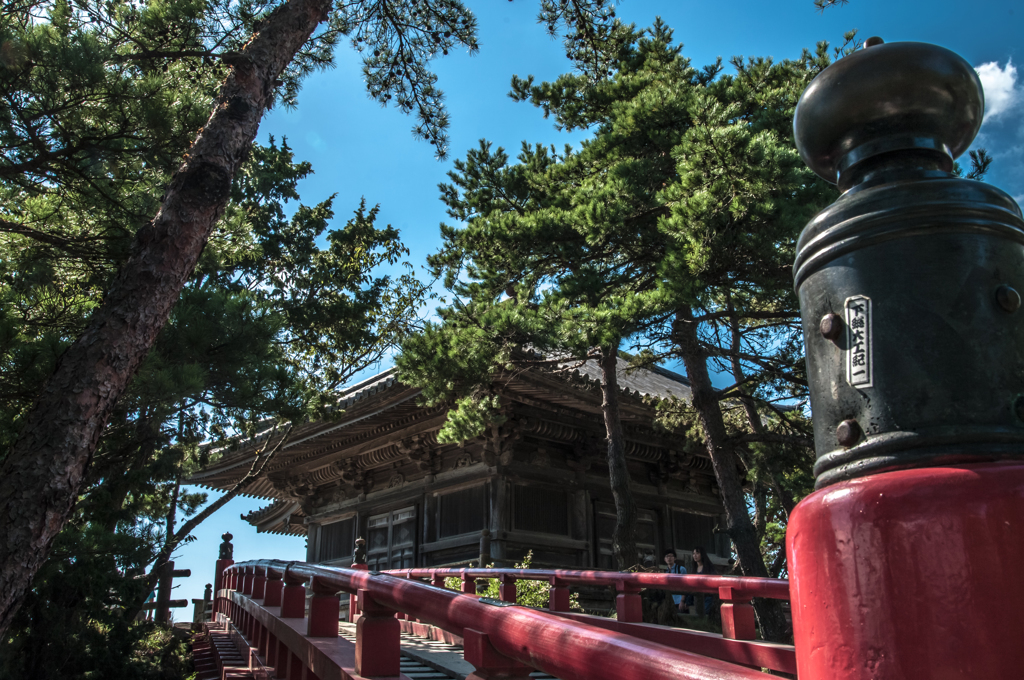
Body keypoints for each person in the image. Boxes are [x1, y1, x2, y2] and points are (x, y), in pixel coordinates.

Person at [685, 546, 718, 616]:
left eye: (697, 553)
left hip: (708, 596)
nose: (695, 555)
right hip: (697, 597)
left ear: (702, 554)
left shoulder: (708, 567)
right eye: (693, 553)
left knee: (705, 615)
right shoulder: (694, 569)